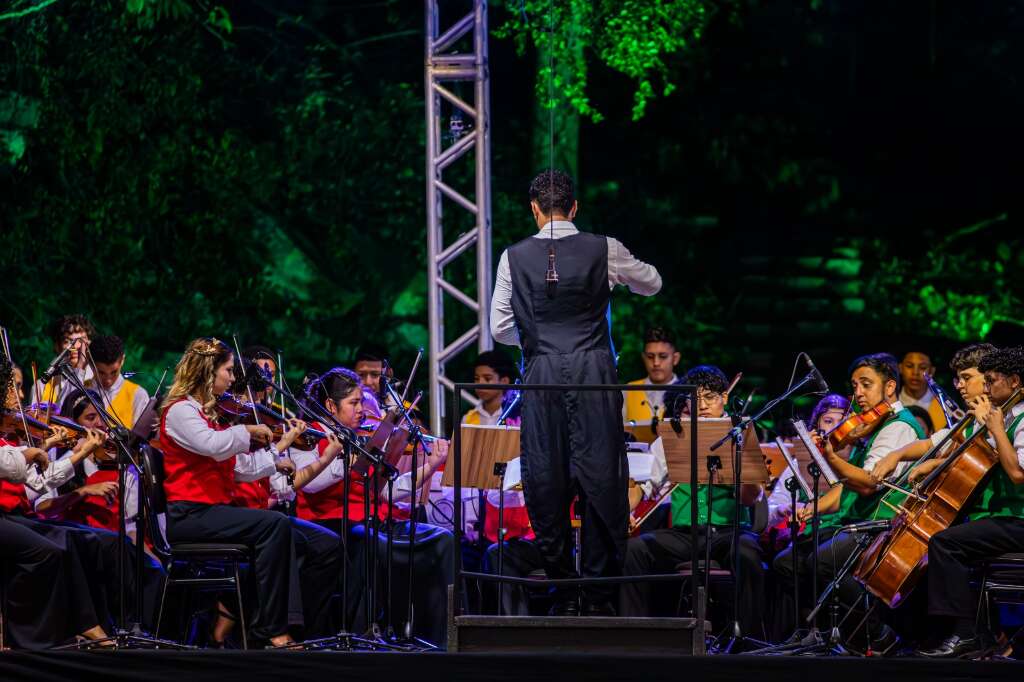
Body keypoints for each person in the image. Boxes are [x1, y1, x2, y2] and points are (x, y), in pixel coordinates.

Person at [490, 169, 661, 617]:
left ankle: (564, 595)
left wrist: (539, 335)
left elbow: (499, 328)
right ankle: (601, 598)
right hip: (594, 375)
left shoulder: (513, 257)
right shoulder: (604, 248)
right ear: (575, 207)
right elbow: (652, 283)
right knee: (602, 478)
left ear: (534, 209)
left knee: (546, 479)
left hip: (542, 374)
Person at [773, 353, 925, 654]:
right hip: (857, 521)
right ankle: (815, 632)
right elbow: (847, 488)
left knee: (823, 560)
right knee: (786, 563)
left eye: (866, 385)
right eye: (855, 385)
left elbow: (868, 484)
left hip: (883, 525)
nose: (857, 393)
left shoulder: (899, 428)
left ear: (890, 387)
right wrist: (811, 508)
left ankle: (878, 635)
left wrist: (830, 456)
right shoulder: (874, 426)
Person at [157, 337, 305, 648]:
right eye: (228, 370)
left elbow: (237, 468)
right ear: (208, 371)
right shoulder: (180, 411)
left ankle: (265, 626)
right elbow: (212, 446)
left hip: (207, 512)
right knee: (274, 525)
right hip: (190, 514)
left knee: (279, 524)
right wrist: (246, 431)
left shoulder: (205, 413)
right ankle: (270, 630)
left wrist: (274, 459)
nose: (233, 378)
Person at [620, 364, 766, 638]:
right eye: (695, 399)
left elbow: (750, 497)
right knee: (633, 551)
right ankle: (635, 635)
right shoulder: (673, 436)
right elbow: (644, 487)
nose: (702, 406)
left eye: (710, 397)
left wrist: (740, 466)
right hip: (685, 535)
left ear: (724, 397)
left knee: (747, 553)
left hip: (728, 532)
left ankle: (748, 638)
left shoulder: (740, 432)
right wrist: (624, 511)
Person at [918, 346, 1024, 658]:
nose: (987, 389)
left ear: (1015, 381)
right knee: (947, 538)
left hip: (1019, 519)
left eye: (992, 382)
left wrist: (995, 429)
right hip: (1005, 517)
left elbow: (1018, 475)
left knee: (945, 544)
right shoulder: (1004, 416)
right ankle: (980, 633)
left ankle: (966, 634)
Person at [32, 313, 96, 406]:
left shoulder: (100, 380)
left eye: (81, 340)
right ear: (57, 346)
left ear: (90, 343)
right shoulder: (41, 387)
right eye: (68, 341)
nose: (76, 346)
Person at [89, 335, 150, 430]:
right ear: (90, 363)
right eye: (101, 373)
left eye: (114, 372)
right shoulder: (81, 388)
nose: (108, 380)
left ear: (122, 360)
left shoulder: (138, 395)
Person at [623, 326, 680, 422]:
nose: (656, 363)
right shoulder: (627, 391)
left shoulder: (687, 393)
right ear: (643, 358)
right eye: (650, 356)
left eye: (663, 356)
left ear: (675, 358)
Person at [899, 351, 948, 432]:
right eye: (909, 366)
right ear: (900, 368)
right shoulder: (891, 404)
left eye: (922, 367)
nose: (915, 372)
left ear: (932, 371)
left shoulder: (945, 406)